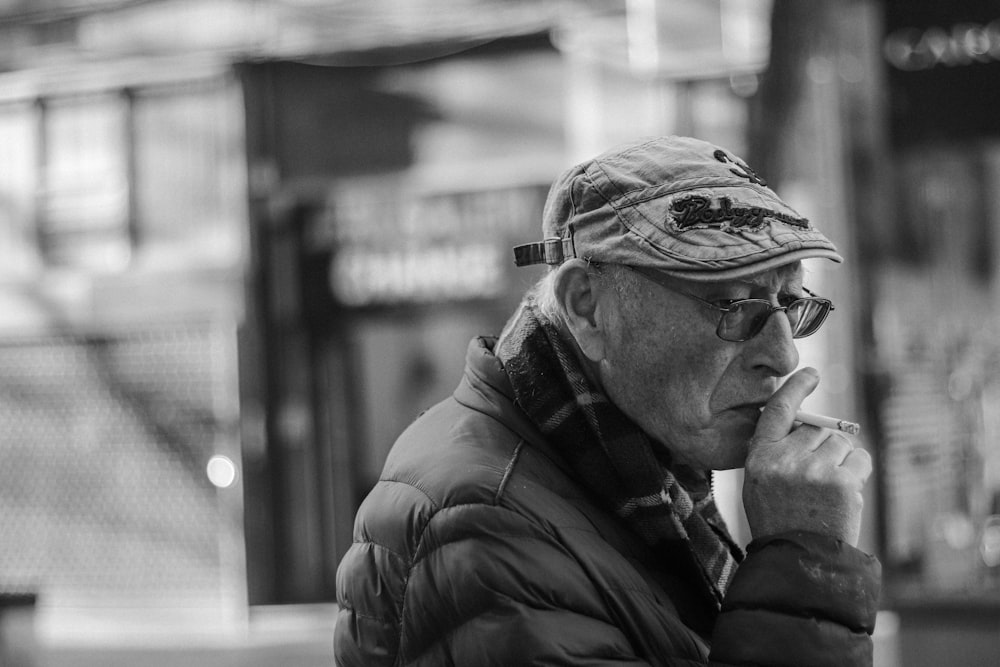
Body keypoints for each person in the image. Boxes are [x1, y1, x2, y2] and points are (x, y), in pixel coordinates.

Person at [334, 136, 881, 666]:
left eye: (790, 303)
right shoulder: (483, 526)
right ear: (587, 308)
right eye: (732, 305)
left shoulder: (640, 481)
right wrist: (801, 561)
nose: (783, 358)